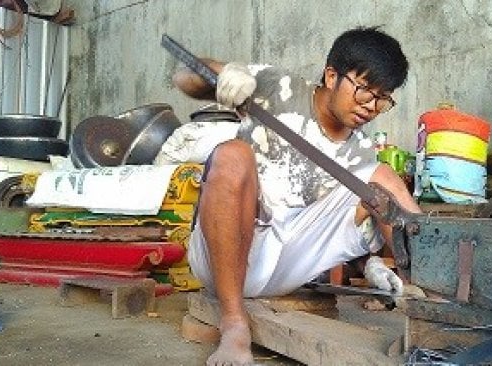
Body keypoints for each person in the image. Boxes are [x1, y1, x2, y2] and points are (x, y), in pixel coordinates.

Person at [173, 26, 421, 366]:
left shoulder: (360, 150)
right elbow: (185, 76)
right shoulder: (279, 87)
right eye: (364, 90)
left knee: (383, 179)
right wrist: (226, 73)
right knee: (233, 154)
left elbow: (356, 222)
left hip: (284, 264)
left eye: (383, 98)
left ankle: (430, 294)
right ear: (332, 76)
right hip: (222, 256)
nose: (371, 106)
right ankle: (234, 324)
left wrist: (374, 263)